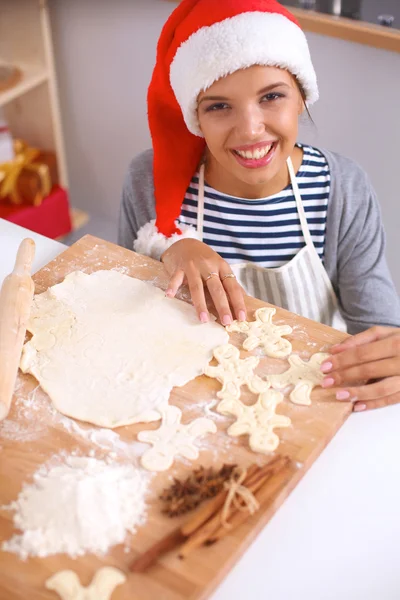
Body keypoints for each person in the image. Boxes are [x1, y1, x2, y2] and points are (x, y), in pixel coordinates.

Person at [118, 0, 400, 412]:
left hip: (309, 400)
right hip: (190, 399)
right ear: (194, 115)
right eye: (218, 105)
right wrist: (165, 249)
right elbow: (122, 301)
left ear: (302, 96)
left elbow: (379, 329)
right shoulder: (149, 182)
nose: (250, 129)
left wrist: (388, 355)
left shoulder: (342, 189)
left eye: (271, 96)